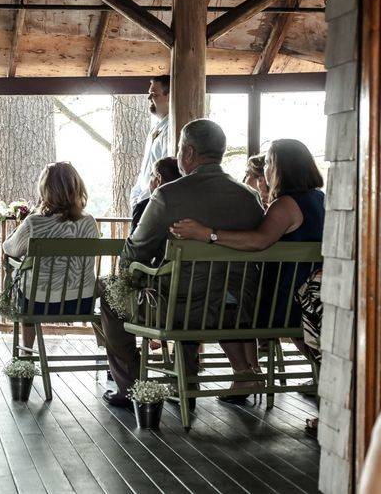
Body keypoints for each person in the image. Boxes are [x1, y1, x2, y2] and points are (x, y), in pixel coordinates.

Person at [99, 119, 265, 408]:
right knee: (184, 289)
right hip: (238, 310)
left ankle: (130, 385)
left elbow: (135, 252)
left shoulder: (169, 195)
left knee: (110, 291)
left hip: (181, 310)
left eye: (178, 150)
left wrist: (133, 274)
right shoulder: (249, 197)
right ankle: (185, 379)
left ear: (188, 153)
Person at [171, 138, 324, 409]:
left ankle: (245, 374)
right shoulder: (320, 200)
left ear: (280, 167)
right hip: (312, 298)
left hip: (285, 303)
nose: (264, 168)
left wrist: (207, 234)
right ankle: (250, 373)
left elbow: (258, 241)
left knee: (223, 301)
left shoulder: (286, 204)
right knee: (237, 295)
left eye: (268, 163)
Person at [2, 162, 99, 349]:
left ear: (45, 189)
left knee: (22, 283)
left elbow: (10, 249)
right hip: (81, 302)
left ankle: (27, 354)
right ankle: (105, 355)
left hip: (39, 303)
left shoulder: (35, 222)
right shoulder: (89, 222)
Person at [129, 75, 170, 213]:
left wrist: (143, 199)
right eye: (149, 93)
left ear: (169, 97)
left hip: (154, 204)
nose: (149, 98)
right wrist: (135, 197)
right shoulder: (155, 129)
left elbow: (164, 176)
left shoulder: (171, 132)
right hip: (142, 202)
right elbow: (145, 171)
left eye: (154, 94)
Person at [130, 156, 182, 234]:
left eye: (151, 176)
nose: (149, 182)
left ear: (158, 179)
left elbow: (133, 244)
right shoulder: (188, 205)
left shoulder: (143, 207)